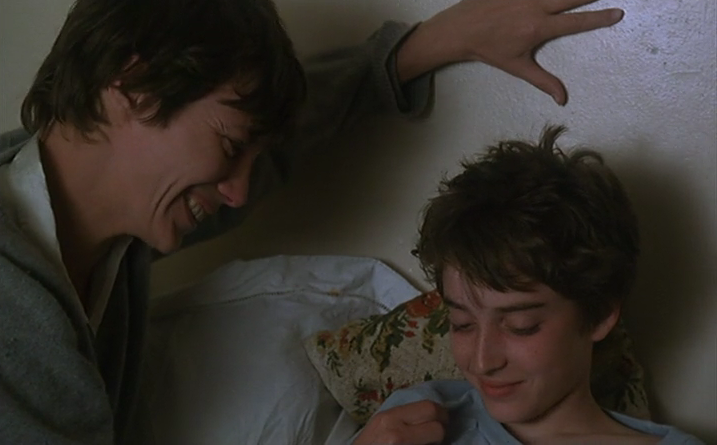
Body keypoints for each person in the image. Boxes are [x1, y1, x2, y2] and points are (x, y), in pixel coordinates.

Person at [0, 0, 625, 443]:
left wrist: (432, 44)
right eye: (228, 146)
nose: (238, 193)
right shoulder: (17, 320)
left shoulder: (103, 220)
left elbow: (281, 148)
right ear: (133, 85)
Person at [353, 126, 704, 444]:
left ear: (600, 314)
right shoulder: (414, 420)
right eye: (462, 324)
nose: (482, 361)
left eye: (521, 326)